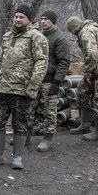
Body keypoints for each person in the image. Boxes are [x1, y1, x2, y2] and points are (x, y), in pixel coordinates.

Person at [0, 5, 48, 170]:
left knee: (20, 125)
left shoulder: (36, 37)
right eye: (16, 16)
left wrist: (33, 87)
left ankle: (17, 157)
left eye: (22, 17)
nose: (18, 19)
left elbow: (41, 63)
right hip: (2, 89)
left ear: (29, 19)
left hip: (22, 91)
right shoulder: (7, 36)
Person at [33, 10, 70, 152]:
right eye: (41, 19)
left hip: (50, 80)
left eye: (46, 19)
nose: (43, 21)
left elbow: (64, 62)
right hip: (36, 79)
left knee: (50, 111)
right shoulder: (39, 36)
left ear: (53, 21)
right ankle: (26, 136)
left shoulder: (59, 38)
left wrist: (57, 82)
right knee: (29, 108)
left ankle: (47, 139)